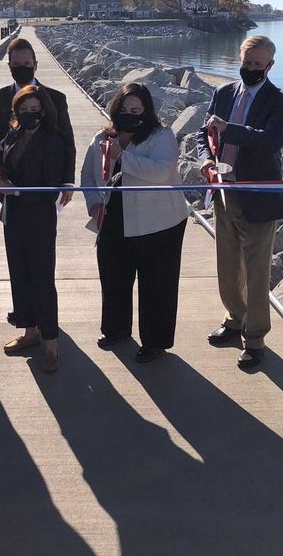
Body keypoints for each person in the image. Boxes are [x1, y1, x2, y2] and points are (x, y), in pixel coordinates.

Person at [197, 35, 283, 370]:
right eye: (246, 62)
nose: (251, 69)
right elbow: (203, 133)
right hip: (224, 191)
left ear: (270, 65)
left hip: (258, 196)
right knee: (227, 263)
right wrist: (206, 161)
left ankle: (255, 339)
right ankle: (234, 319)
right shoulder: (223, 92)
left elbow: (271, 141)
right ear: (239, 58)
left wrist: (230, 129)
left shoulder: (280, 100)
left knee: (255, 271)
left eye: (258, 64)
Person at [82, 83, 189, 363]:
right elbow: (87, 174)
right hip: (113, 219)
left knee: (157, 285)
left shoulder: (161, 136)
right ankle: (115, 329)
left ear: (146, 112)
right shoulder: (101, 138)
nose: (129, 114)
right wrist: (93, 203)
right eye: (124, 109)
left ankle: (154, 341)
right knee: (113, 278)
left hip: (159, 224)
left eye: (136, 110)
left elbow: (162, 172)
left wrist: (123, 157)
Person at [0, 86, 66, 372]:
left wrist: (18, 191)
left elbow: (51, 189)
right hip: (13, 217)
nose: (29, 115)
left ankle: (51, 343)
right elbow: (6, 166)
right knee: (19, 275)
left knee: (42, 279)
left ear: (44, 111)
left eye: (34, 109)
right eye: (23, 110)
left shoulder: (54, 141)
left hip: (39, 219)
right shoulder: (13, 134)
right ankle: (30, 331)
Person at [0, 37, 75, 206]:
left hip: (47, 183)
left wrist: (68, 182)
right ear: (9, 66)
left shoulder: (56, 99)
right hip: (10, 184)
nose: (22, 68)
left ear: (35, 64)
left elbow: (68, 141)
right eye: (16, 65)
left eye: (26, 64)